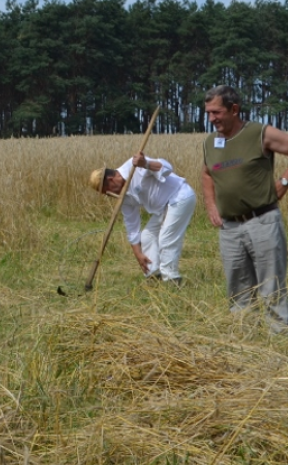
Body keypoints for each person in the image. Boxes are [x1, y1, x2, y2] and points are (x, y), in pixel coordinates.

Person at [202, 85, 288, 333]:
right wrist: (210, 205)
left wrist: (282, 183)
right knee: (237, 286)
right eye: (208, 113)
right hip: (229, 227)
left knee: (272, 284)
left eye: (216, 112)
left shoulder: (260, 133)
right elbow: (206, 174)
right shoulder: (210, 142)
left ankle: (278, 336)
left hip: (262, 221)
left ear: (234, 109)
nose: (211, 119)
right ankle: (243, 334)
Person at [88, 151, 196, 284]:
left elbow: (167, 168)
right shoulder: (124, 197)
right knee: (147, 237)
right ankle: (153, 275)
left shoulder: (133, 166)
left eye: (106, 191)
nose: (109, 195)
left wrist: (146, 163)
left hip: (180, 197)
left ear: (110, 180)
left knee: (166, 238)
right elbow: (132, 227)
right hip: (164, 208)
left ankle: (172, 280)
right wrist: (138, 254)